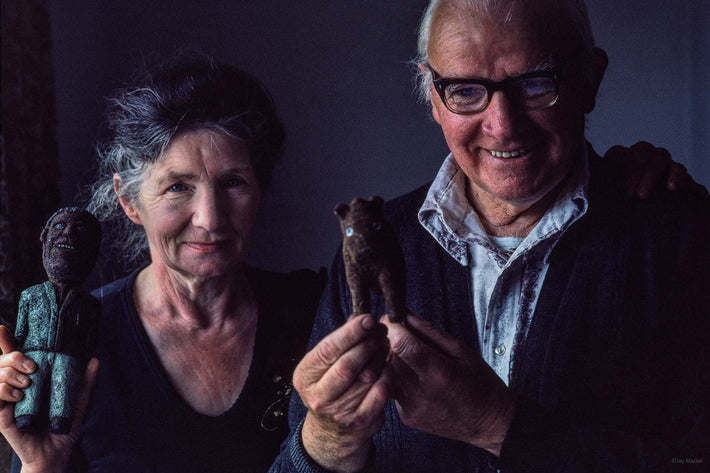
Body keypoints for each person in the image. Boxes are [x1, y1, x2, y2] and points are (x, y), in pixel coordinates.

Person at [269, 1, 710, 472]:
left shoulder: (680, 238)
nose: (502, 126)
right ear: (433, 97)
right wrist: (329, 438)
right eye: (464, 90)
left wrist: (496, 424)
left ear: (590, 79)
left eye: (535, 84)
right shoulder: (374, 243)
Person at [0, 55, 324, 473]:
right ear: (129, 200)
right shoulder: (78, 337)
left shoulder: (311, 311)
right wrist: (41, 464)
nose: (210, 218)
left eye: (233, 182)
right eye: (177, 187)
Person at [13, 208, 101, 436]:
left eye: (80, 230)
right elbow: (20, 333)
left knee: (65, 382)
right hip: (34, 354)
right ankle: (26, 413)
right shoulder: (30, 295)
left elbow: (90, 340)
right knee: (31, 383)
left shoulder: (90, 304)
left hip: (70, 356)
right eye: (60, 226)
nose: (68, 233)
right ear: (44, 238)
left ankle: (60, 418)